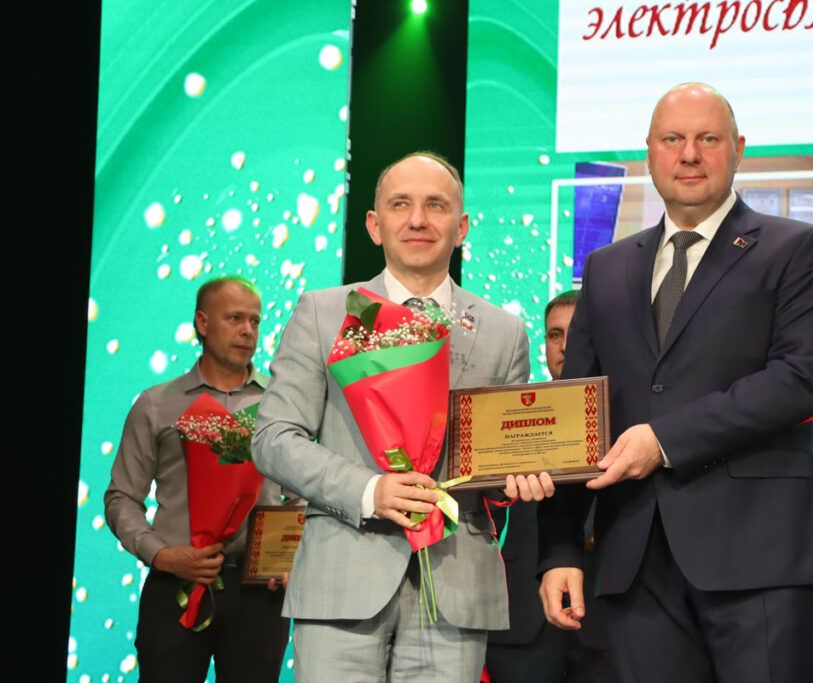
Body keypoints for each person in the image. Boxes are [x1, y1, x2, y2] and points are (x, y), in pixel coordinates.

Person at [537, 83, 813, 682]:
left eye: (708, 139)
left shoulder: (796, 248)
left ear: (738, 149)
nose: (690, 154)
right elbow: (576, 412)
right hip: (634, 559)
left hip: (758, 556)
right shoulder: (607, 267)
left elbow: (799, 379)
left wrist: (663, 440)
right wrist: (561, 550)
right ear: (650, 151)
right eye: (672, 139)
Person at [252, 152, 556, 682]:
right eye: (401, 205)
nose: (418, 220)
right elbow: (274, 437)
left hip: (456, 583)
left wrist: (515, 480)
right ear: (375, 225)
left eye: (436, 206)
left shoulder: (503, 331)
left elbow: (498, 460)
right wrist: (369, 491)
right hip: (343, 575)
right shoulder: (323, 313)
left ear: (461, 227)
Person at [104, 276, 293, 683]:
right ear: (202, 323)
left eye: (255, 320)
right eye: (235, 318)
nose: (248, 330)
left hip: (260, 593)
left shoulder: (281, 405)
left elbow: (301, 495)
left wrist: (292, 556)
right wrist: (161, 555)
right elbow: (121, 498)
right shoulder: (157, 404)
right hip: (174, 583)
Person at [485, 290, 586, 683]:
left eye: (578, 333)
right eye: (555, 335)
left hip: (614, 614)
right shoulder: (513, 415)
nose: (565, 346)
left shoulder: (635, 416)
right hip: (523, 616)